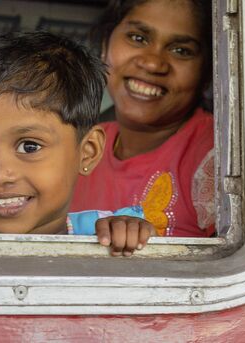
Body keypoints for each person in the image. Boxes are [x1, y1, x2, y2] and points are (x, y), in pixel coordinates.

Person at [0, 31, 154, 256]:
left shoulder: (109, 233)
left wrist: (135, 238)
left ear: (87, 152)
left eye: (29, 146)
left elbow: (161, 260)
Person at [70, 0, 215, 237]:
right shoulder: (78, 147)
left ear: (208, 72)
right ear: (105, 45)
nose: (152, 63)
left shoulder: (217, 155)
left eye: (181, 50)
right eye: (138, 38)